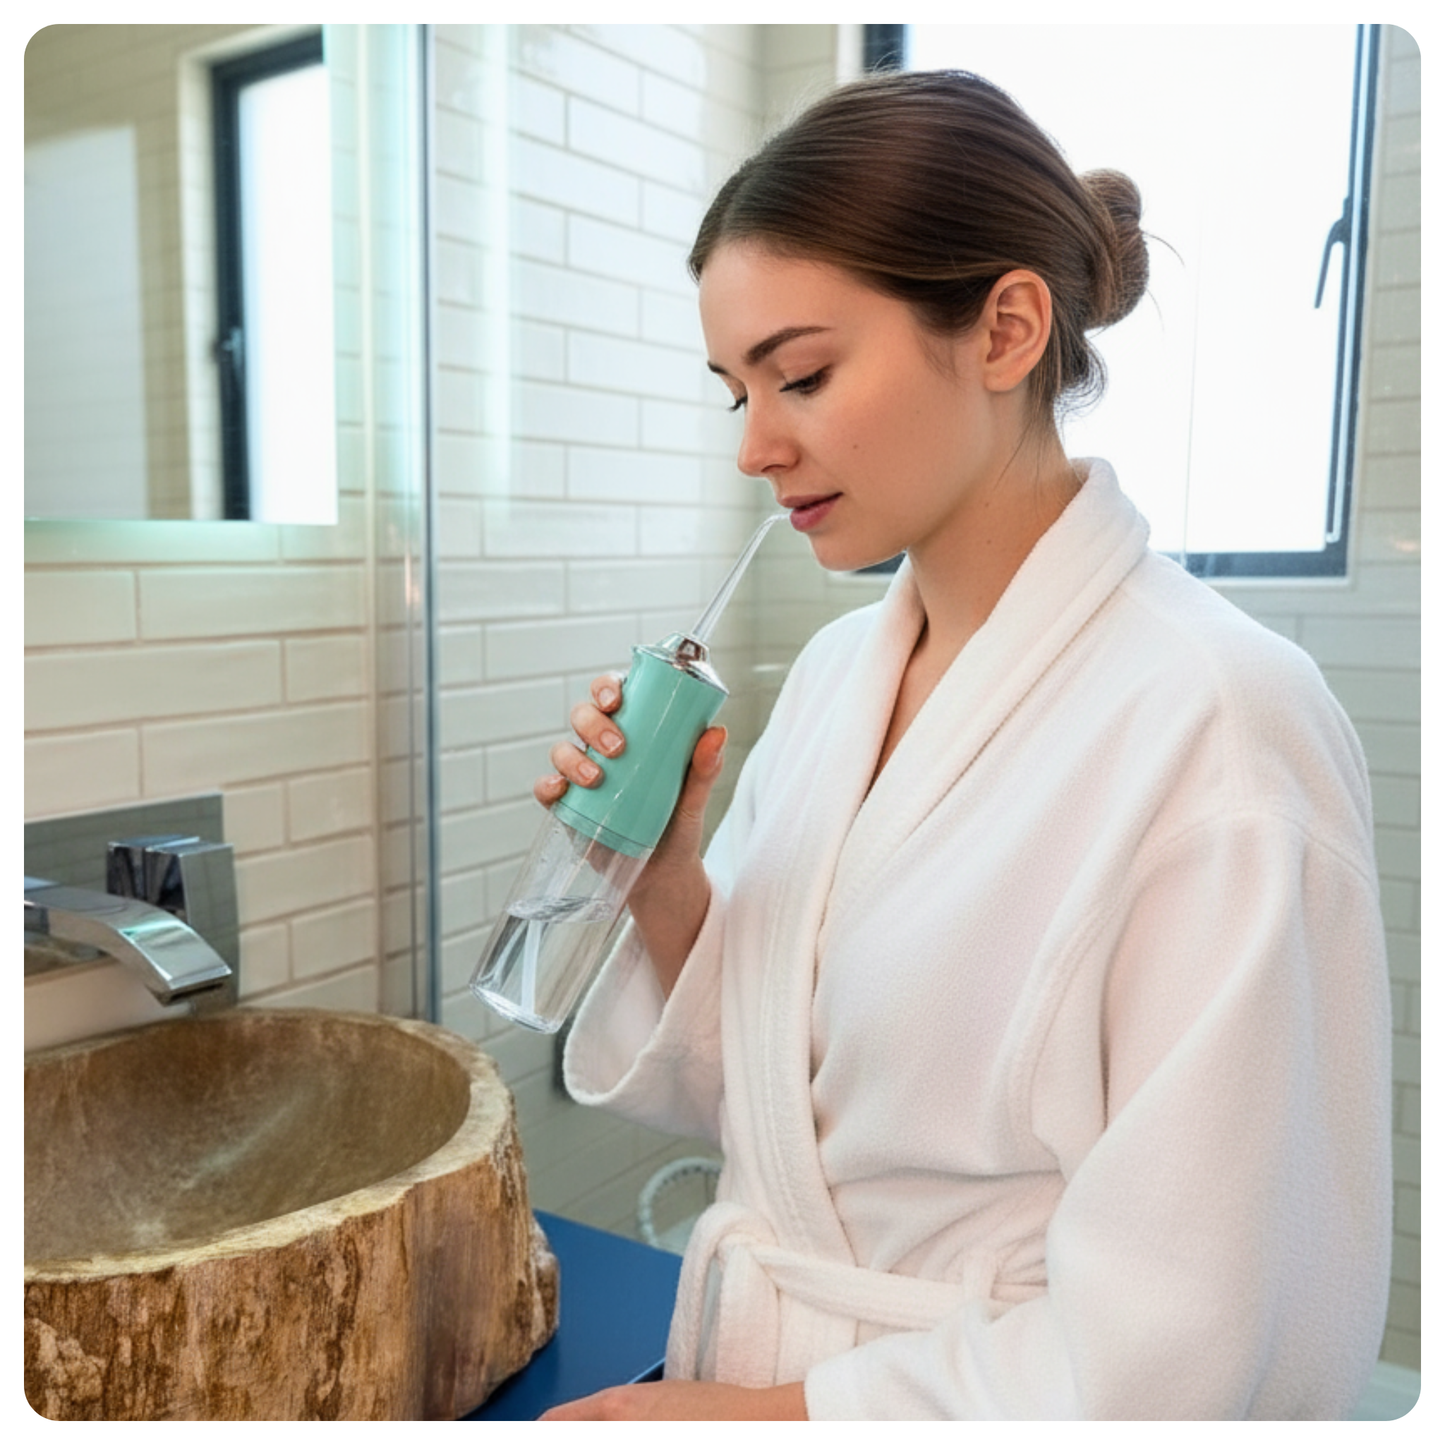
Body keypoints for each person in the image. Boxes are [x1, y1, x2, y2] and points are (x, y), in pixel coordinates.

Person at [536, 70, 1392, 1421]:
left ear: (1004, 329)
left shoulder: (1224, 729)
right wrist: (666, 885)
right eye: (735, 393)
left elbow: (1211, 1339)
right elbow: (780, 1112)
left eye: (804, 375)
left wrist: (748, 1419)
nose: (757, 447)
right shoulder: (833, 680)